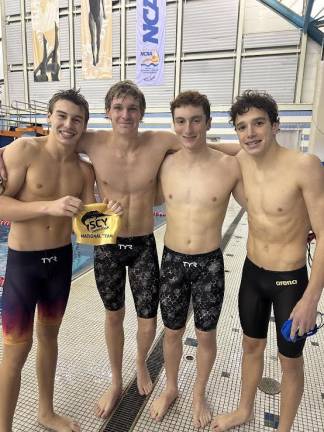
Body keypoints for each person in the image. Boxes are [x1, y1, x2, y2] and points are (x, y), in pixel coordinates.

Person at [0, 80, 239, 420]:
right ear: (108, 113)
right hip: (108, 245)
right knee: (113, 316)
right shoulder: (91, 140)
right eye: (118, 108)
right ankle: (115, 381)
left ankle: (140, 364)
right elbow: (51, 140)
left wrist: (251, 149)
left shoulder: (160, 142)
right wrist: (5, 152)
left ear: (142, 113)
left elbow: (205, 144)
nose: (125, 115)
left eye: (132, 109)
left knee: (147, 319)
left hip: (142, 242)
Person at [0, 89, 122, 432]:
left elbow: (89, 232)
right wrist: (47, 206)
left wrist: (110, 216)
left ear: (83, 127)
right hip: (24, 265)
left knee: (49, 338)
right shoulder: (25, 150)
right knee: (15, 350)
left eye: (77, 119)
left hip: (59, 264)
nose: (69, 125)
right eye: (62, 116)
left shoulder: (84, 171)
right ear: (50, 118)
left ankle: (45, 411)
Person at [211, 90, 324, 432]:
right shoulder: (242, 158)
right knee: (250, 345)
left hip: (290, 281)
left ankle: (284, 428)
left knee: (289, 360)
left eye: (258, 123)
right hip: (252, 273)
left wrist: (311, 299)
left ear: (275, 125)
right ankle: (244, 410)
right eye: (242, 127)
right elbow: (199, 144)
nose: (250, 133)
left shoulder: (304, 166)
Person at [149, 91, 245, 429]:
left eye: (195, 120)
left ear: (208, 121)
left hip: (209, 265)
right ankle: (172, 388)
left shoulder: (229, 166)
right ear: (173, 124)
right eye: (181, 121)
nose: (188, 129)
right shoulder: (165, 164)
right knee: (171, 332)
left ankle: (199, 393)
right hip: (173, 261)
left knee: (206, 335)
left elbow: (259, 205)